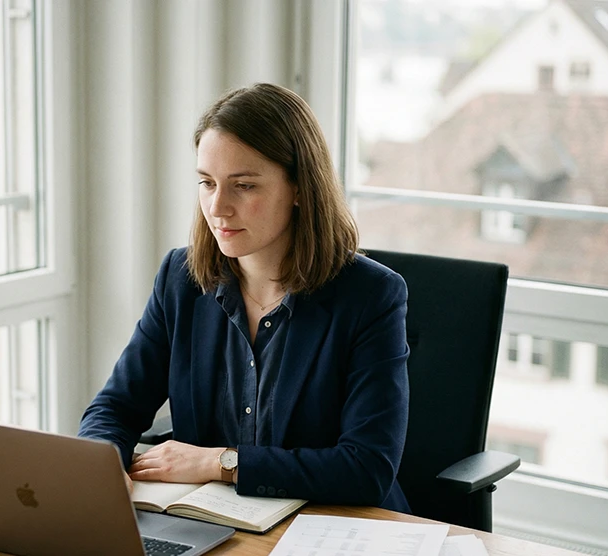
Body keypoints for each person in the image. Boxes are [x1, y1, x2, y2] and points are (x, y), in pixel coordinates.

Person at [78, 83, 410, 512]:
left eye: (244, 186)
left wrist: (222, 462)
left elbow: (367, 468)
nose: (217, 207)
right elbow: (115, 406)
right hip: (214, 522)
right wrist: (103, 467)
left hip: (333, 526)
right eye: (207, 183)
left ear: (299, 189)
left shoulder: (371, 296)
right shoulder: (180, 280)